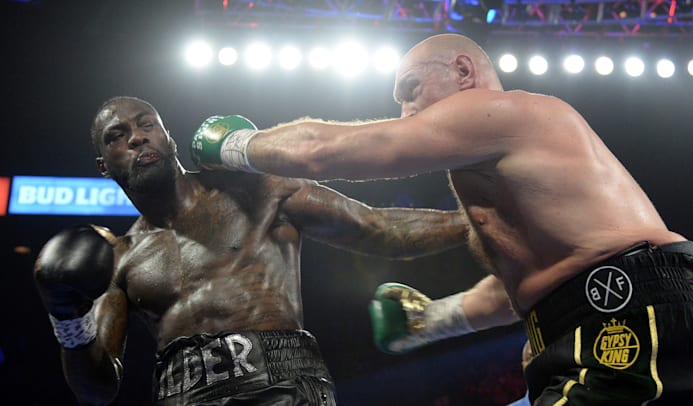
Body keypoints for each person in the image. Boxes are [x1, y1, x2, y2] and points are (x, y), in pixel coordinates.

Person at [190, 33, 693, 405]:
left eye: (411, 91)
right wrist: (432, 320)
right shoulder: (507, 173)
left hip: (626, 314)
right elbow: (533, 287)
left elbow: (330, 152)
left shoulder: (502, 111)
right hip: (607, 315)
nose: (405, 113)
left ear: (463, 72)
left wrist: (236, 145)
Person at [33, 96, 469, 405]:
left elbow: (377, 227)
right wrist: (66, 318)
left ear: (167, 135)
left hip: (283, 386)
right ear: (103, 165)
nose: (137, 138)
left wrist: (478, 222)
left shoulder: (255, 191)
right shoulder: (120, 258)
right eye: (118, 135)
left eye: (147, 124)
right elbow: (97, 389)